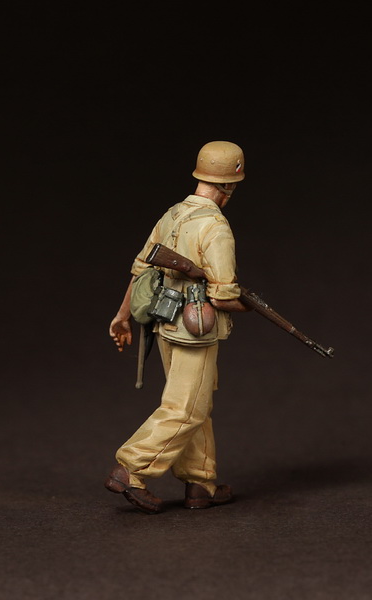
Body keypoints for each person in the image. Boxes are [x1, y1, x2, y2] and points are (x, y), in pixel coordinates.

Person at [104, 141, 250, 514]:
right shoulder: (215, 226)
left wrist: (122, 315)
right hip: (195, 331)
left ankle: (200, 482)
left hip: (166, 323)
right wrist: (248, 303)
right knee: (185, 409)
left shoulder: (172, 214)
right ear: (229, 185)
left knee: (196, 403)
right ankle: (131, 469)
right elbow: (223, 295)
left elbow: (141, 269)